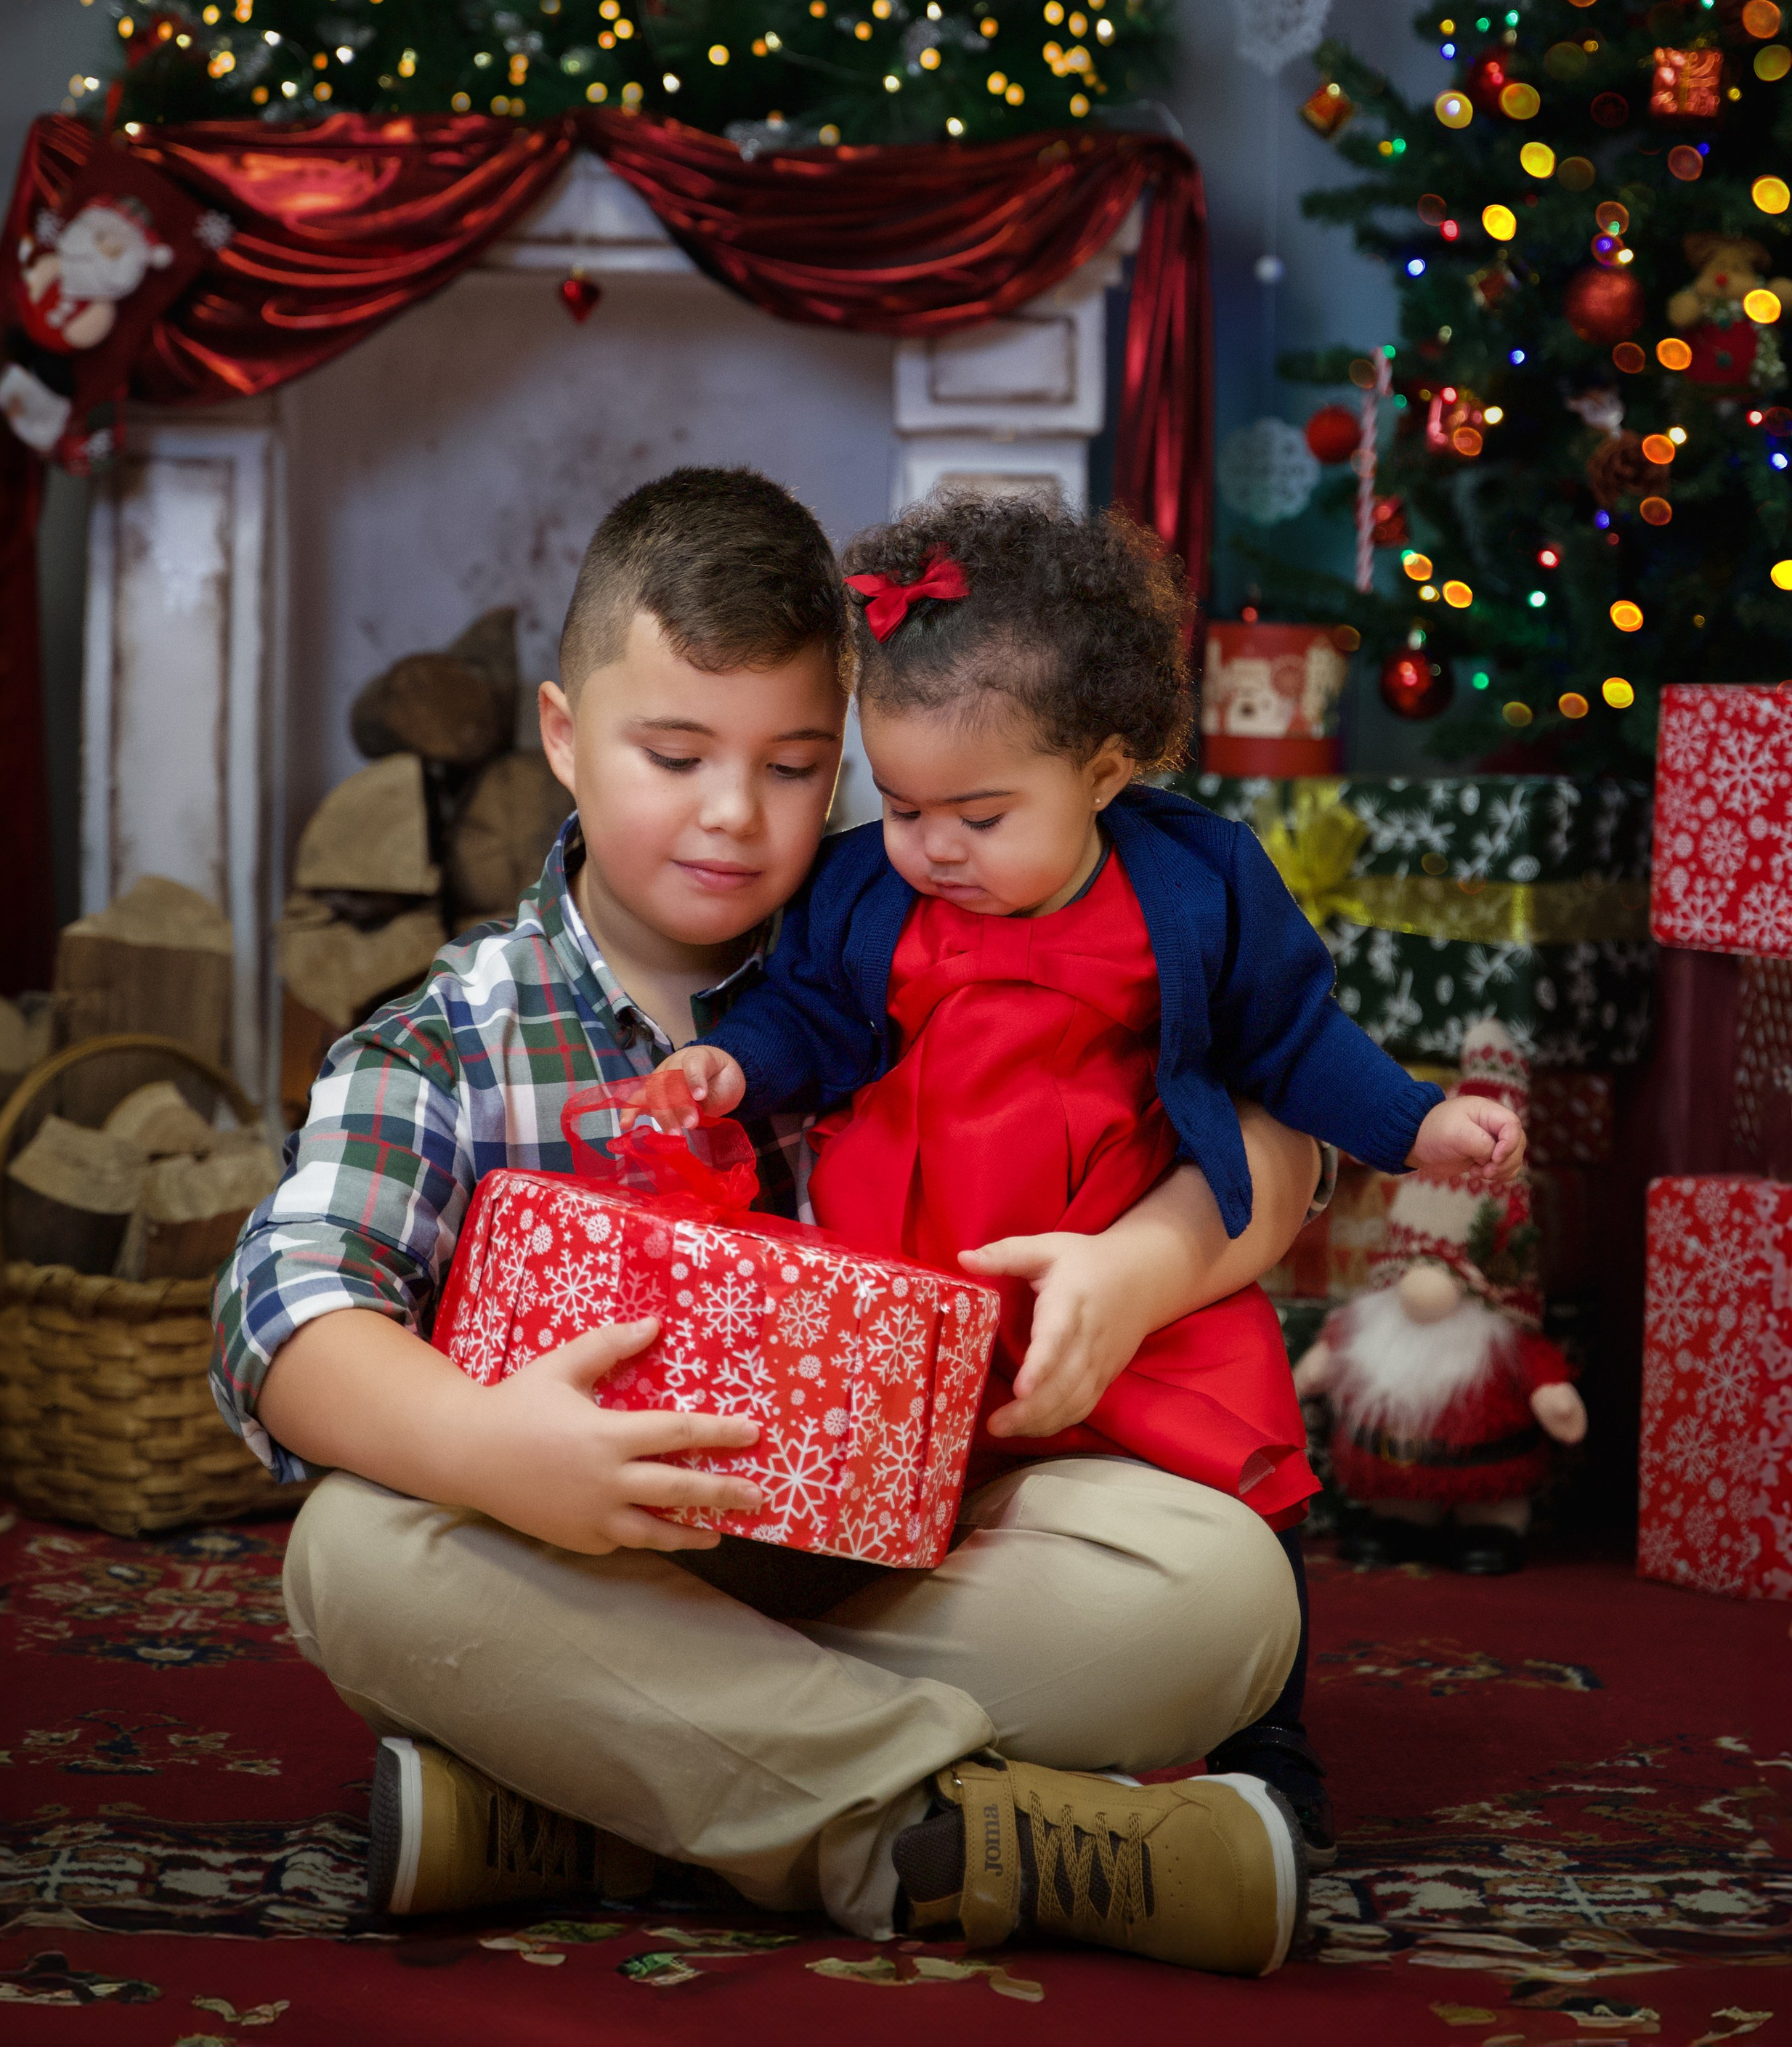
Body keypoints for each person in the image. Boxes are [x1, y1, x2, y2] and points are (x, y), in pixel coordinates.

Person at [211, 468, 1330, 1979]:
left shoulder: (944, 942)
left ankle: (605, 1802)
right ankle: (934, 1837)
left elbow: (1277, 1132)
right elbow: (281, 1312)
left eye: (797, 768)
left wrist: (1141, 1268)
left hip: (918, 1550)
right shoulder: (448, 1042)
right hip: (591, 1560)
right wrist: (495, 1455)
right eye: (673, 754)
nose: (733, 814)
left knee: (1220, 1596)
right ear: (560, 736)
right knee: (350, 1552)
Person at [656, 497, 1528, 1869]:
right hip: (923, 1277)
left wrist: (1416, 1127)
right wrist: (733, 1070)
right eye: (902, 808)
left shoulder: (1197, 885)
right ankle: (888, 1733)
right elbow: (807, 1021)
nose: (933, 847)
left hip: (1126, 1259)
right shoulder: (862, 896)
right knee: (893, 1508)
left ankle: (1266, 1740)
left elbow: (1292, 1042)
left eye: (983, 814)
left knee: (1249, 1480)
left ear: (1108, 768)